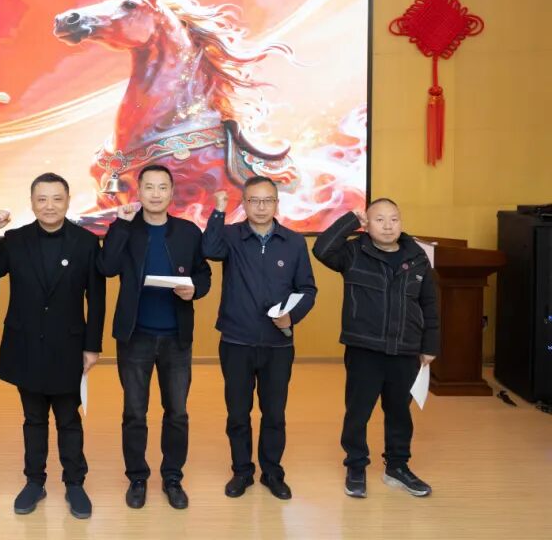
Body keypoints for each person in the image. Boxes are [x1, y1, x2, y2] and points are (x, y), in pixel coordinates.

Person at [0, 172, 105, 520]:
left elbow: (97, 297)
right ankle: (35, 481)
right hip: (26, 344)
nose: (49, 206)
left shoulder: (85, 242)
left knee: (68, 419)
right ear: (32, 203)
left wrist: (92, 346)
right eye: (42, 199)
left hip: (68, 346)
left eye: (57, 199)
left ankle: (74, 483)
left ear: (68, 201)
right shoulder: (15, 239)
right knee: (33, 419)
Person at [97, 164, 211, 510]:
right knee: (134, 412)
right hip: (135, 337)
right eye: (149, 187)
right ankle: (137, 478)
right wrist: (120, 224)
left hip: (177, 337)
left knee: (177, 412)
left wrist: (195, 290)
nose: (156, 194)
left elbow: (203, 274)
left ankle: (172, 477)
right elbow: (106, 267)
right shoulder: (126, 230)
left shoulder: (188, 232)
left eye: (163, 187)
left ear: (172, 193)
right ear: (139, 192)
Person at [313, 198, 439, 499]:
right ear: (367, 225)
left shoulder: (418, 256)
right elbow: (321, 249)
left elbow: (430, 304)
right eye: (379, 220)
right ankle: (356, 466)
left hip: (405, 349)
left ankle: (397, 467)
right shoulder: (354, 252)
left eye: (394, 219)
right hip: (364, 349)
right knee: (358, 412)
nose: (388, 226)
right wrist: (349, 221)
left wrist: (430, 345)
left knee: (399, 413)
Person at [202, 178, 317, 500]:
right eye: (254, 201)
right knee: (238, 414)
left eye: (268, 201)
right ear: (244, 203)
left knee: (274, 414)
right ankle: (242, 472)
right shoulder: (230, 236)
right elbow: (209, 250)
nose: (261, 207)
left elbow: (307, 289)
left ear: (277, 203)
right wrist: (218, 211)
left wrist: (292, 316)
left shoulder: (294, 242)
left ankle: (272, 472)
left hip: (278, 344)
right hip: (236, 341)